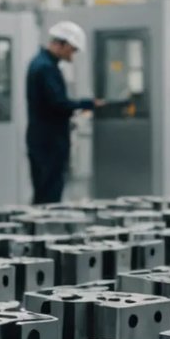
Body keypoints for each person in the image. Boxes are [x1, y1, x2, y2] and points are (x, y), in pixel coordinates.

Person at [26, 21, 103, 205]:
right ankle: (46, 231)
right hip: (49, 140)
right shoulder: (45, 68)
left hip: (43, 138)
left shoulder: (41, 64)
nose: (73, 55)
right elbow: (58, 103)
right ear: (64, 45)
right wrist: (88, 104)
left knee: (44, 191)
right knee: (49, 194)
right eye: (73, 50)